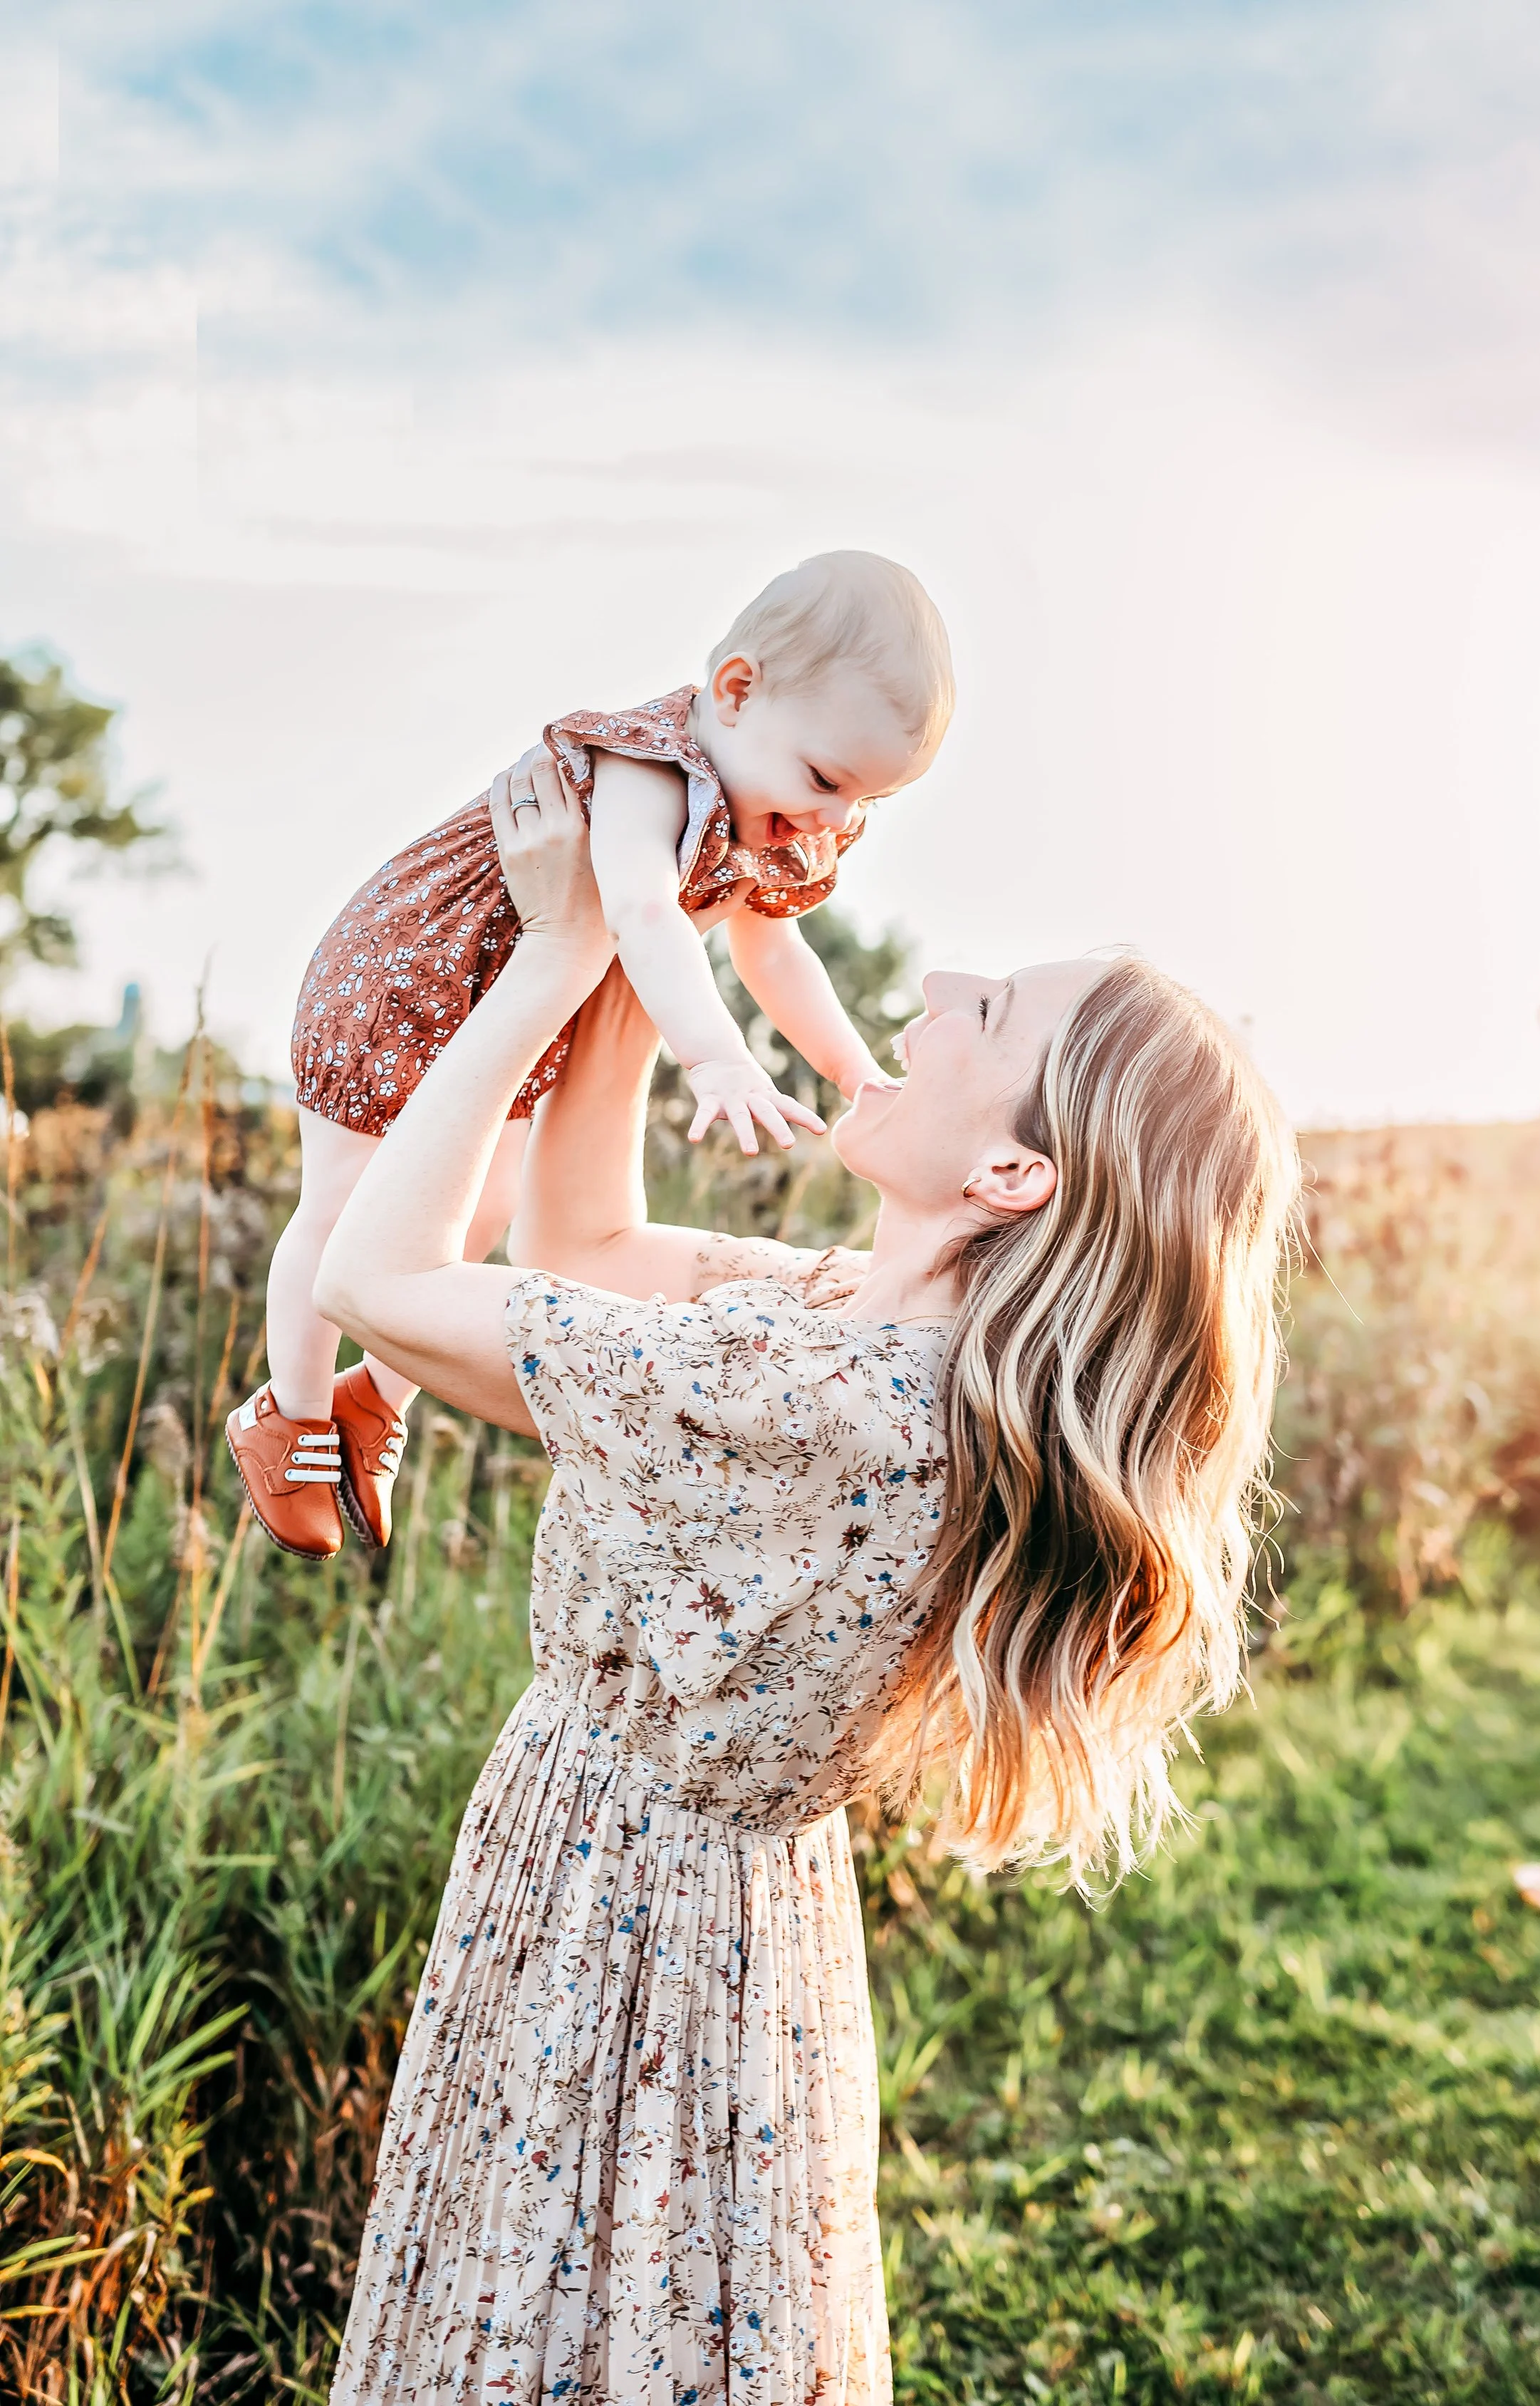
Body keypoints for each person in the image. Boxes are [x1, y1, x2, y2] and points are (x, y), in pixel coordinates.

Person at [316, 753, 1299, 2406]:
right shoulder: (859, 1325)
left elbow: (374, 1275)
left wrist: (558, 954)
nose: (922, 992)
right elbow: (582, 1246)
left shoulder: (828, 1401)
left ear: (1008, 1177)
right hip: (689, 1916)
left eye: (981, 1012)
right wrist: (660, 915)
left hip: (613, 1920)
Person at [230, 551, 954, 1563]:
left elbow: (775, 951)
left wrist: (849, 1072)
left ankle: (369, 1396)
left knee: (479, 1209)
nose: (831, 822)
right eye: (827, 780)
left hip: (523, 999)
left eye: (863, 800)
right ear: (736, 692)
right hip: (412, 974)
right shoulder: (651, 767)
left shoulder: (777, 811)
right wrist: (715, 1058)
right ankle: (291, 1417)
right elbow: (643, 910)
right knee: (352, 1204)